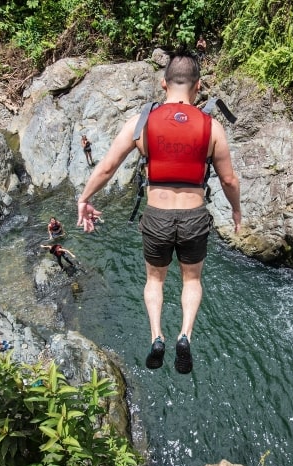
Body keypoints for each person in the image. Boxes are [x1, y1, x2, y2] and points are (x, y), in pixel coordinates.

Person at [75, 51, 241, 374]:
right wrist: (236, 211)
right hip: (194, 217)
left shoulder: (142, 122)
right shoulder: (212, 127)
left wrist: (84, 198)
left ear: (163, 83)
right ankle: (185, 335)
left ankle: (157, 336)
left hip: (157, 216)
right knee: (191, 280)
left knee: (155, 280)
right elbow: (229, 179)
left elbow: (108, 166)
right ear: (199, 87)